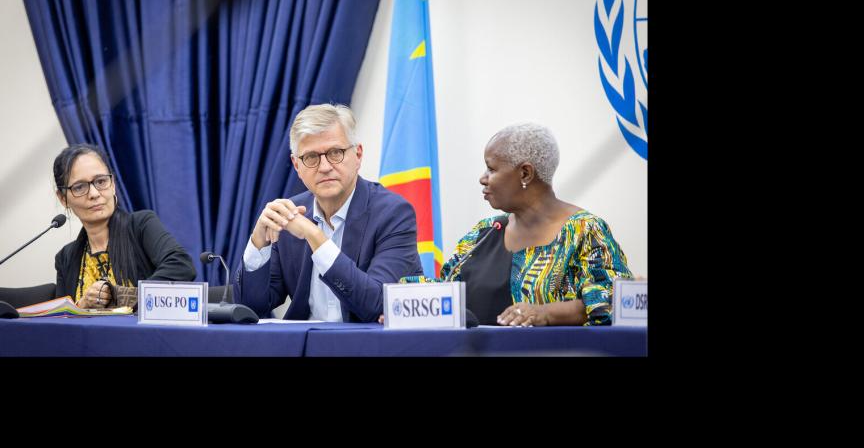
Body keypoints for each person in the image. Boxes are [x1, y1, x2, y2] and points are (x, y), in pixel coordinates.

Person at [425, 122, 634, 326]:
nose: (483, 178)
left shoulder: (585, 231)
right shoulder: (484, 232)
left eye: (491, 169)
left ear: (525, 173)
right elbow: (445, 292)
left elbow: (613, 302)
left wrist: (544, 313)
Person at [235, 103, 421, 321]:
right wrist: (258, 244)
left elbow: (378, 304)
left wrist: (315, 236)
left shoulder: (393, 213)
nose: (324, 167)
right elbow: (251, 309)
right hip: (305, 340)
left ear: (358, 155)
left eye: (335, 153)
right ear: (297, 165)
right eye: (311, 157)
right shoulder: (289, 215)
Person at [52, 144, 195, 309]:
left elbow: (181, 266)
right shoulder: (65, 258)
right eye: (80, 187)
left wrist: (123, 297)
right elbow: (61, 318)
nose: (94, 194)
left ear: (112, 184)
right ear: (63, 199)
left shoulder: (141, 225)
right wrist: (82, 304)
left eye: (101, 181)